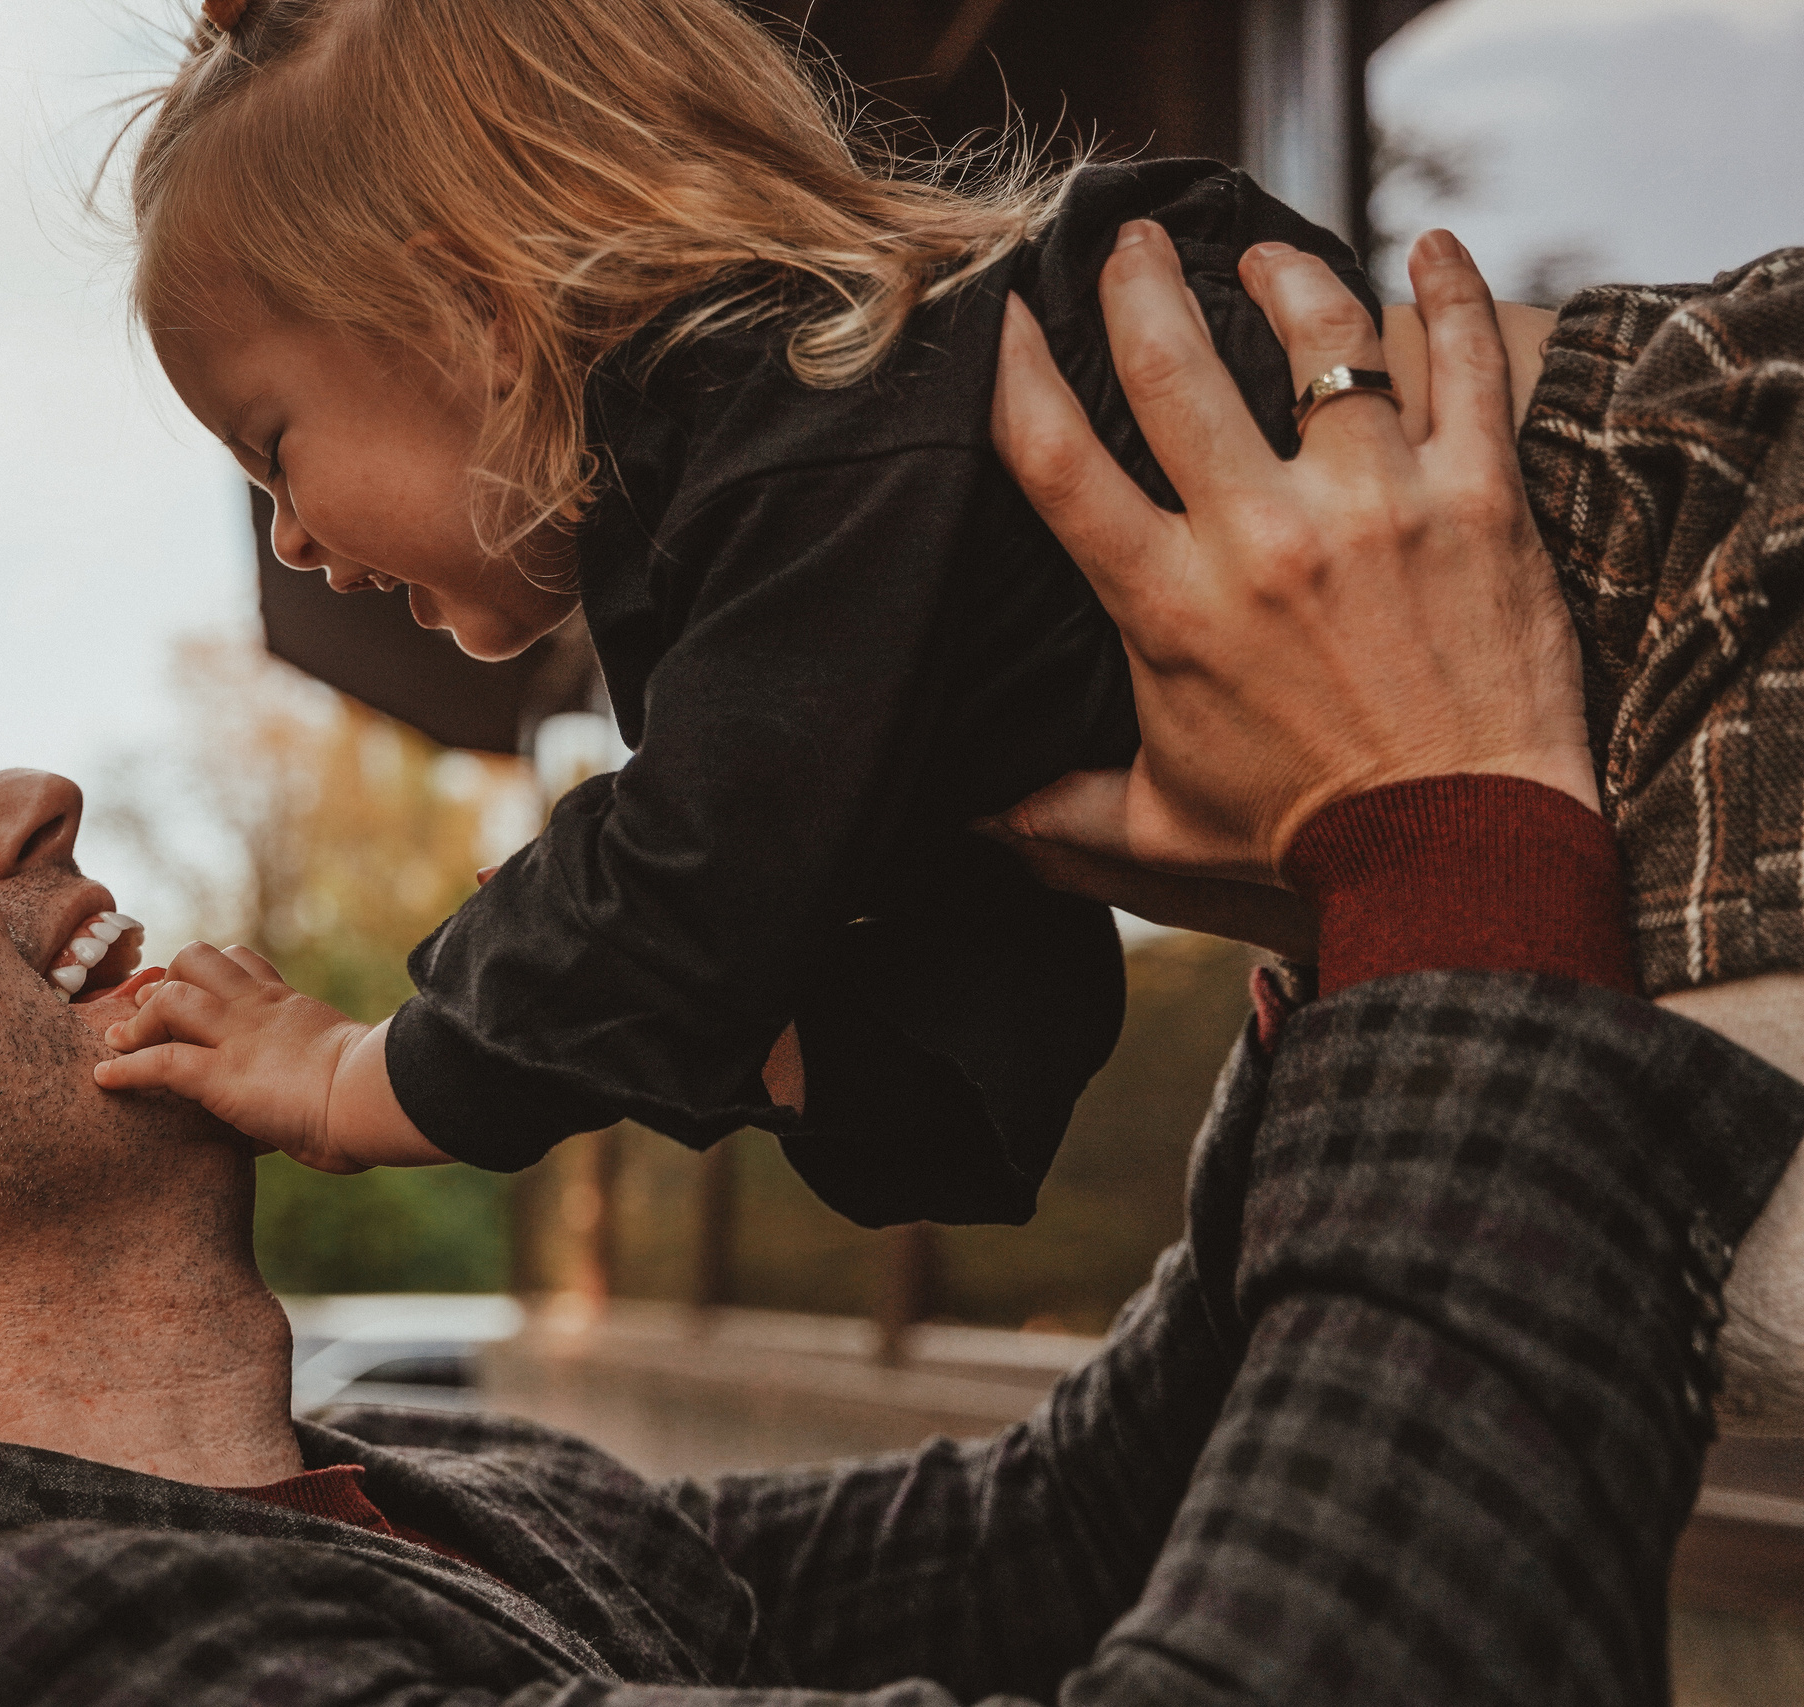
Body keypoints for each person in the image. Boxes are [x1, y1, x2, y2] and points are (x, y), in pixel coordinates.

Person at [0, 230, 1803, 1704]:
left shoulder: (434, 1508)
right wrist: (1451, 835)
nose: (20, 797)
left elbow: (1080, 1534)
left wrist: (1312, 909)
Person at [109, 0, 1804, 1284]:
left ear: (468, 314)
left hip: (1697, 529)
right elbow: (994, 1030)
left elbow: (681, 874)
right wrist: (754, 1031)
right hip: (1615, 704)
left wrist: (356, 1076)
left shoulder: (820, 432)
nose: (292, 540)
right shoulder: (841, 596)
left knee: (1663, 1248)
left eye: (275, 445)